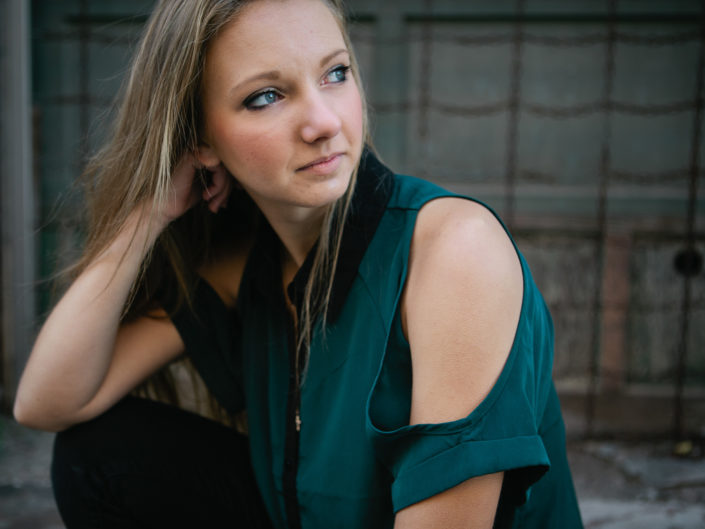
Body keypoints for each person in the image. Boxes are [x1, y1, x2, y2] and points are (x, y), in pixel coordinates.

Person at [13, 0, 584, 527]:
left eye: (335, 73)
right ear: (201, 142)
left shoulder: (455, 253)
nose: (324, 123)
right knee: (99, 454)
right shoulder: (246, 266)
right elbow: (49, 402)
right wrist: (149, 215)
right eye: (266, 96)